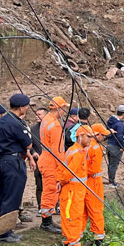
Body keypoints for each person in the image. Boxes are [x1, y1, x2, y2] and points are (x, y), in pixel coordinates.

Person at [0, 94, 34, 242]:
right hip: (13, 160)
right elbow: (28, 144)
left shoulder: (3, 120)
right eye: (27, 106)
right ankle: (5, 233)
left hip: (4, 160)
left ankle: (4, 229)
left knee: (4, 195)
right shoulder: (16, 123)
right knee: (12, 196)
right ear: (21, 107)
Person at [60, 125, 93, 246]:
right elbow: (68, 172)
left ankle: (69, 242)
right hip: (72, 191)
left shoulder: (76, 150)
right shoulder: (77, 153)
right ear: (80, 137)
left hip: (76, 190)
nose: (90, 140)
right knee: (73, 217)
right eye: (88, 137)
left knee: (73, 216)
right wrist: (61, 182)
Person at [38, 96, 69, 233]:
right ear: (59, 109)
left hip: (45, 158)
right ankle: (46, 222)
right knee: (51, 191)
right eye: (63, 109)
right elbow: (58, 150)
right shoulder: (55, 125)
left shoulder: (46, 120)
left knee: (48, 190)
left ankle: (48, 219)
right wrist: (63, 167)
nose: (64, 112)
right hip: (51, 162)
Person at [84, 123, 110, 246]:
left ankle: (76, 239)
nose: (104, 138)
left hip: (84, 182)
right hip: (94, 182)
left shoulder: (84, 146)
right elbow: (93, 169)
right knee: (97, 210)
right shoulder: (96, 148)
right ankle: (98, 241)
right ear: (98, 134)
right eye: (103, 135)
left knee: (83, 213)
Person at [30, 108, 48, 209]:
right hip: (38, 161)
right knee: (39, 184)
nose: (37, 116)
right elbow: (29, 144)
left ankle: (54, 205)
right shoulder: (32, 129)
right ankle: (40, 207)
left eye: (39, 115)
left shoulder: (51, 127)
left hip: (50, 161)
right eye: (36, 115)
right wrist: (33, 152)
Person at [107, 105, 124, 187]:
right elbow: (119, 136)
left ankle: (111, 180)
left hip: (109, 145)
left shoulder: (111, 122)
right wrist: (122, 146)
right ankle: (112, 182)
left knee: (111, 164)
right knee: (114, 165)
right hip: (115, 147)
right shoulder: (119, 124)